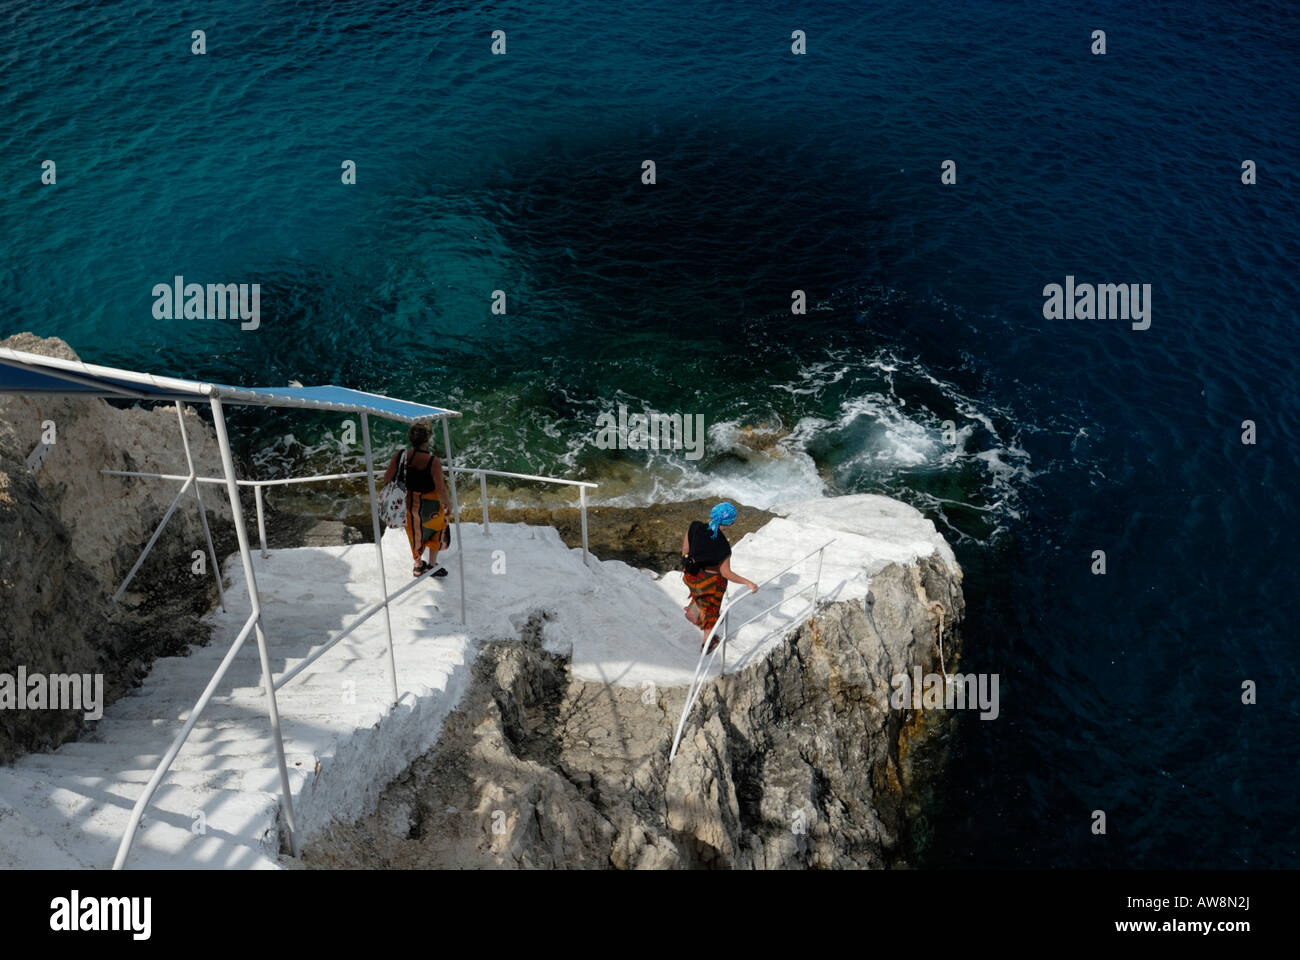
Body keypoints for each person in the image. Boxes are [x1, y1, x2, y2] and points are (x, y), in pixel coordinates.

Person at [681, 502, 757, 652]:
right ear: (729, 523)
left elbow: (685, 550)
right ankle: (708, 643)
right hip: (711, 584)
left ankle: (693, 613)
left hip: (691, 576)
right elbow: (726, 573)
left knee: (700, 597)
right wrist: (748, 583)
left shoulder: (695, 527)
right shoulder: (723, 547)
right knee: (711, 613)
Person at [383, 422, 452, 578]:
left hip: (408, 504)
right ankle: (432, 566)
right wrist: (448, 504)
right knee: (438, 529)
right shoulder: (432, 461)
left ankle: (418, 564)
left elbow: (387, 478)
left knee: (415, 533)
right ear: (427, 439)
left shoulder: (401, 455)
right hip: (430, 506)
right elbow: (440, 487)